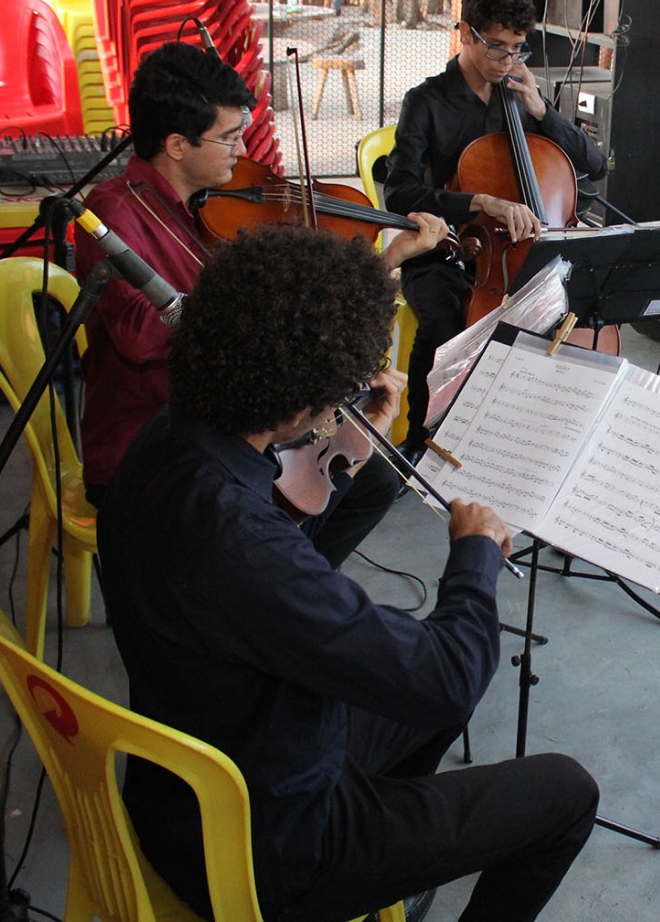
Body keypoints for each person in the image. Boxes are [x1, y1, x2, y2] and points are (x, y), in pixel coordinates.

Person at [99, 223, 598, 921]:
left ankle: (390, 861)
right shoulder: (242, 546)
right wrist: (475, 554)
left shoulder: (171, 438)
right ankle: (358, 870)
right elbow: (448, 675)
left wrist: (348, 448)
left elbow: (273, 565)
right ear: (299, 408)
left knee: (420, 683)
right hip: (266, 847)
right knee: (565, 792)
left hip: (191, 777)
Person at [74, 42, 448, 565]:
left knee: (375, 478)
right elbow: (139, 335)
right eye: (228, 137)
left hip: (234, 419)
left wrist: (388, 258)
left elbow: (299, 305)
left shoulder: (214, 204)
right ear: (177, 144)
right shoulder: (113, 213)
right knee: (305, 504)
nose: (239, 148)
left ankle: (289, 595)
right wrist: (254, 306)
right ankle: (263, 593)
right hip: (155, 440)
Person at [377, 0, 607, 449]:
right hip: (445, 250)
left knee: (578, 313)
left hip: (523, 250)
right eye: (497, 47)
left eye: (518, 49)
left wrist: (542, 111)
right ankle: (422, 439)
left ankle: (522, 437)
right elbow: (398, 192)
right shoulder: (425, 102)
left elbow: (594, 165)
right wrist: (476, 201)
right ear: (465, 33)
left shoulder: (522, 99)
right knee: (444, 325)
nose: (507, 61)